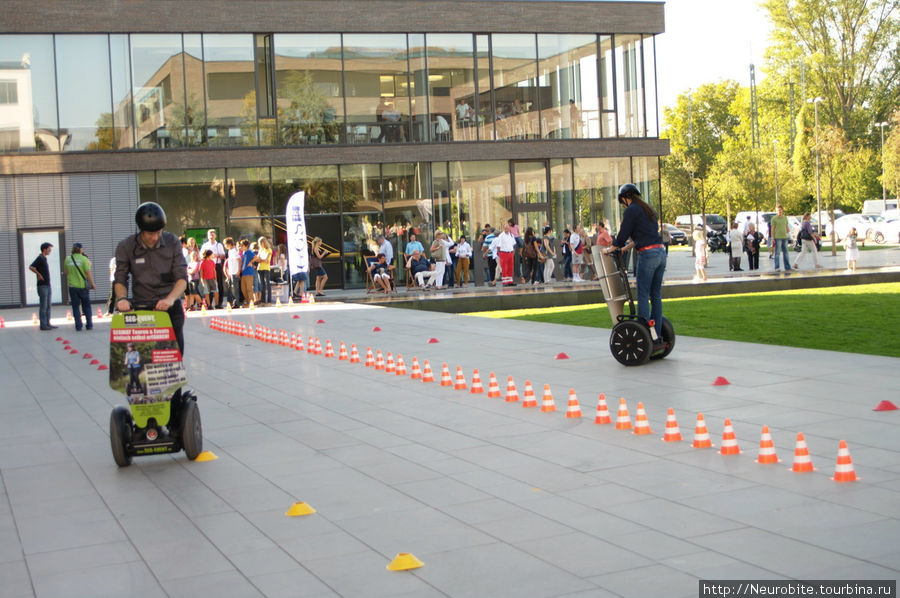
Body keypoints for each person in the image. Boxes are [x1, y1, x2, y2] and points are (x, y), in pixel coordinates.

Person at [114, 202, 188, 355]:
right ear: (141, 230)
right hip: (143, 308)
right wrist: (122, 298)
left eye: (158, 232)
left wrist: (170, 299)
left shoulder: (172, 242)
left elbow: (181, 278)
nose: (155, 237)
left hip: (170, 307)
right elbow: (120, 278)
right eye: (150, 234)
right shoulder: (126, 246)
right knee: (146, 358)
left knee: (174, 357)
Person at [604, 183, 667, 340]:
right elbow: (644, 235)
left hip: (648, 255)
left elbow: (624, 233)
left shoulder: (632, 210)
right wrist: (626, 249)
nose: (623, 205)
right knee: (656, 295)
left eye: (622, 202)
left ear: (626, 198)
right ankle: (655, 335)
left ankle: (643, 333)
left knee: (643, 294)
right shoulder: (648, 209)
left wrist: (612, 248)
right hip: (660, 252)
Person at [64, 242, 96, 331]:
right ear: (81, 249)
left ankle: (78, 325)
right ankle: (89, 324)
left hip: (72, 287)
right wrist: (92, 284)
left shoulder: (67, 259)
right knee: (86, 306)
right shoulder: (84, 259)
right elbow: (88, 272)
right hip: (83, 287)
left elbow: (65, 272)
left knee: (75, 306)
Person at [30, 242, 57, 330]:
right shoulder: (40, 258)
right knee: (44, 305)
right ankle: (43, 324)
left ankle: (47, 323)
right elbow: (31, 267)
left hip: (47, 284)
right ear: (44, 249)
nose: (50, 251)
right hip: (42, 286)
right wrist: (39, 274)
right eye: (49, 249)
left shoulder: (44, 259)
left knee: (48, 305)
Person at [200, 229, 226, 308]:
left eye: (213, 234)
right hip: (207, 266)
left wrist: (216, 255)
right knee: (208, 286)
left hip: (216, 265)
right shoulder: (205, 245)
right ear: (207, 236)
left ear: (215, 235)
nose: (211, 236)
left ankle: (219, 303)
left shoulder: (219, 245)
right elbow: (201, 256)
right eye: (210, 234)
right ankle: (209, 304)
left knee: (218, 284)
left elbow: (223, 256)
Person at [770, 204, 793, 273]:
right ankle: (777, 267)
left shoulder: (785, 218)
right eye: (778, 210)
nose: (779, 211)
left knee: (786, 252)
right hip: (777, 237)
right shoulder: (774, 219)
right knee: (777, 253)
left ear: (782, 210)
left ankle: (787, 267)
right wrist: (773, 238)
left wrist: (790, 235)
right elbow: (772, 229)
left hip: (784, 237)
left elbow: (786, 227)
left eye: (780, 210)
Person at [496, 222, 517, 286]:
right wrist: (500, 254)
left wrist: (513, 252)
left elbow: (514, 244)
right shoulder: (501, 236)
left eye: (507, 228)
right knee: (504, 268)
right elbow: (498, 246)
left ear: (509, 228)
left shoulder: (511, 235)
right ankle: (505, 282)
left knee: (510, 267)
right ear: (504, 228)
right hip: (503, 253)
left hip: (510, 253)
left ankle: (510, 281)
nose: (506, 229)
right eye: (505, 228)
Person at [239, 239, 258, 307]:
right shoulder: (244, 253)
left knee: (249, 288)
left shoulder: (249, 252)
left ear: (246, 246)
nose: (241, 247)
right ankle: (248, 302)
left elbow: (256, 257)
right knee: (243, 288)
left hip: (249, 272)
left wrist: (251, 262)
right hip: (244, 272)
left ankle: (250, 302)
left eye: (242, 246)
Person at [224, 237, 241, 307]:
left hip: (235, 272)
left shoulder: (233, 251)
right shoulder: (230, 251)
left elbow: (239, 260)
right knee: (231, 288)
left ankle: (236, 302)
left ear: (229, 244)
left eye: (226, 244)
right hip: (231, 272)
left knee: (235, 288)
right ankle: (232, 302)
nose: (225, 246)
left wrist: (238, 270)